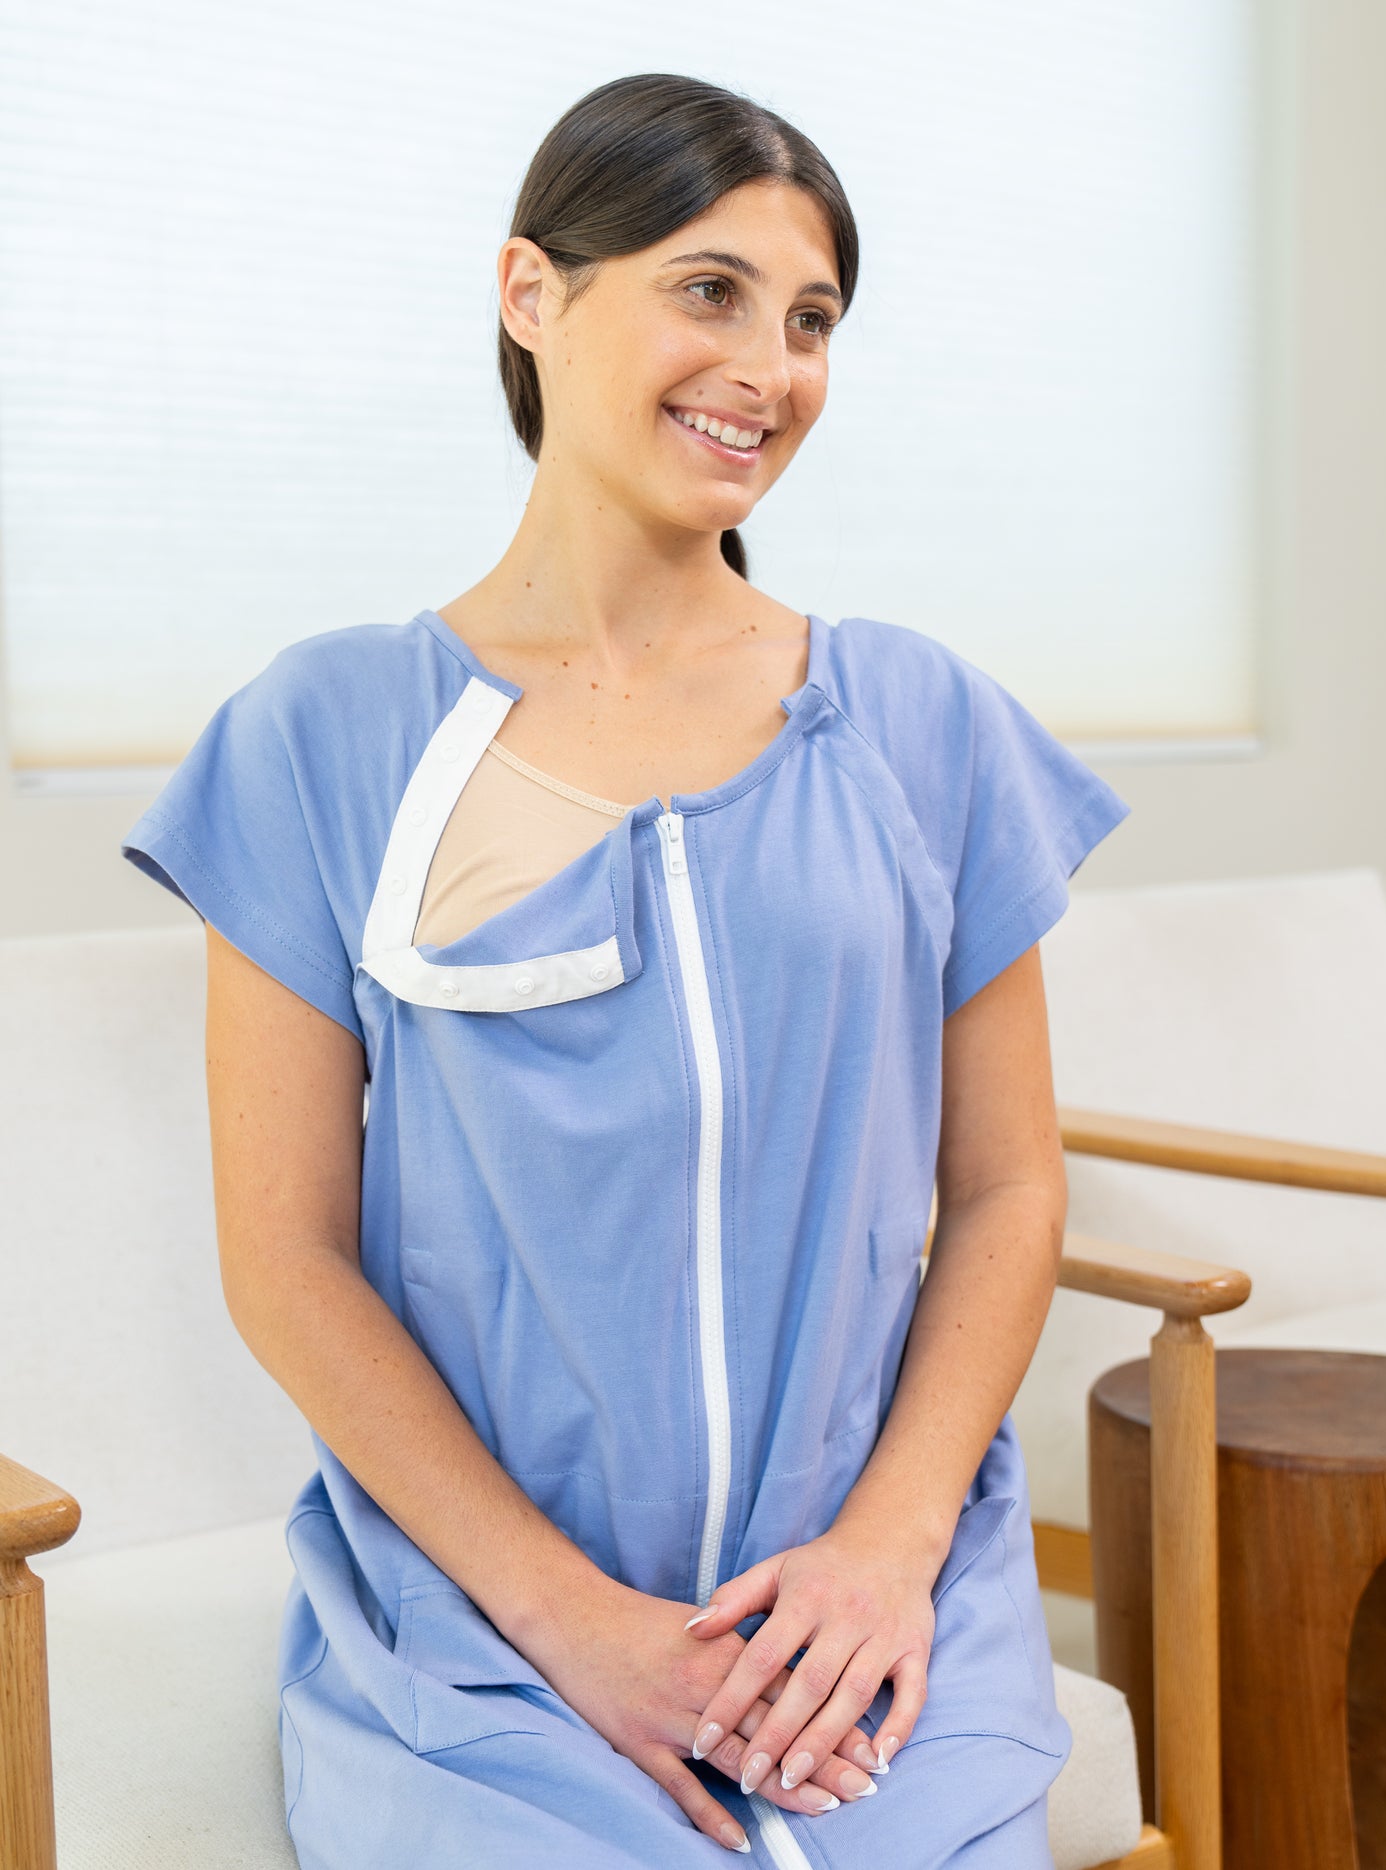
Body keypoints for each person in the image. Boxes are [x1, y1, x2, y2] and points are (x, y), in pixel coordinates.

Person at [120, 71, 1130, 1868]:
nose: (772, 364)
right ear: (533, 293)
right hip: (485, 1637)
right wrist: (566, 1620)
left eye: (812, 319)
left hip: (866, 1613)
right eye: (707, 287)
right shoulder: (322, 738)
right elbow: (285, 1252)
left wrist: (888, 1551)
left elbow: (1003, 1184)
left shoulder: (919, 724)